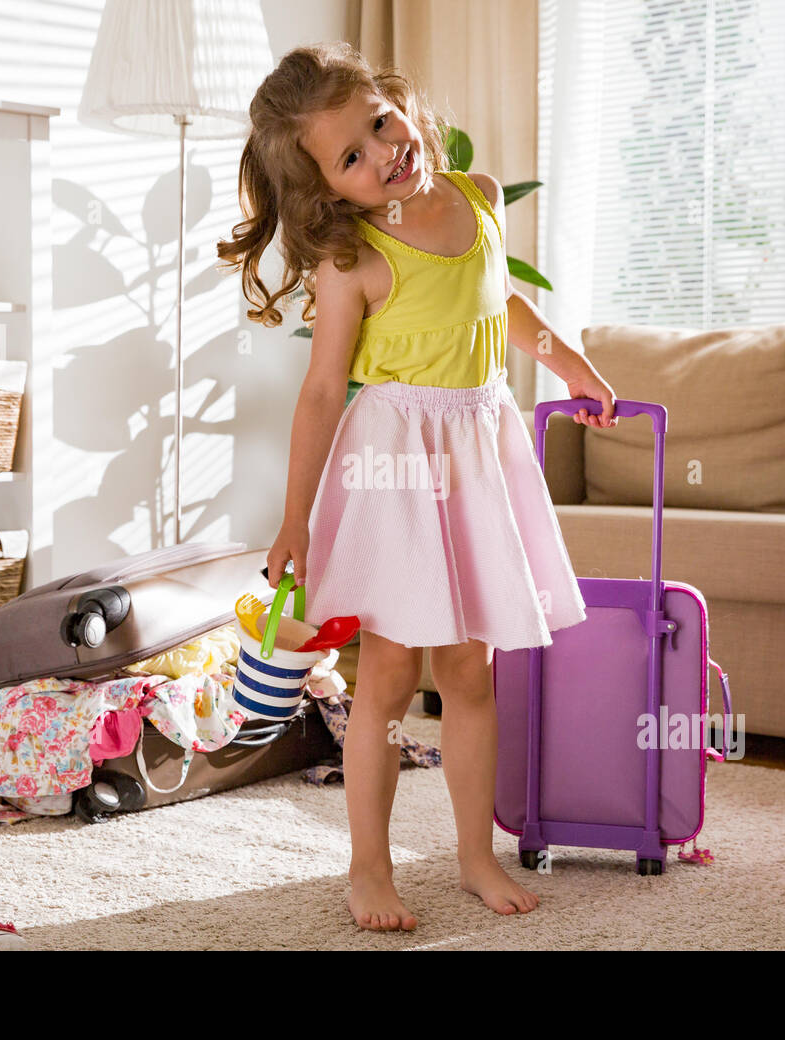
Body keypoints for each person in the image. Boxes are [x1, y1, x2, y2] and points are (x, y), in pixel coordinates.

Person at [217, 42, 616, 932]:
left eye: (379, 125)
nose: (383, 152)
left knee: (471, 671)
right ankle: (369, 867)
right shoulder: (352, 257)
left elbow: (502, 302)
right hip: (396, 465)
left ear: (397, 103)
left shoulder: (476, 201)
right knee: (391, 674)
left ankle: (473, 854)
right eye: (351, 157)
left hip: (477, 446)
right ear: (329, 190)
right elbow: (323, 390)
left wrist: (574, 366)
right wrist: (295, 520)